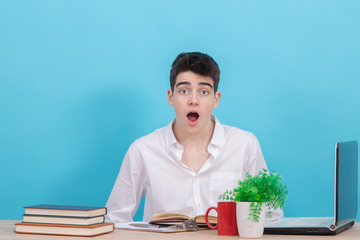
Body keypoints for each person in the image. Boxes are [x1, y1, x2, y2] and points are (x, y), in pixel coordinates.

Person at [105, 52, 283, 222]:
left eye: (204, 92)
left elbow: (271, 216)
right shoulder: (142, 150)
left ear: (216, 99)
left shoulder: (244, 144)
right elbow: (115, 218)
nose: (193, 100)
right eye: (184, 91)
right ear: (170, 97)